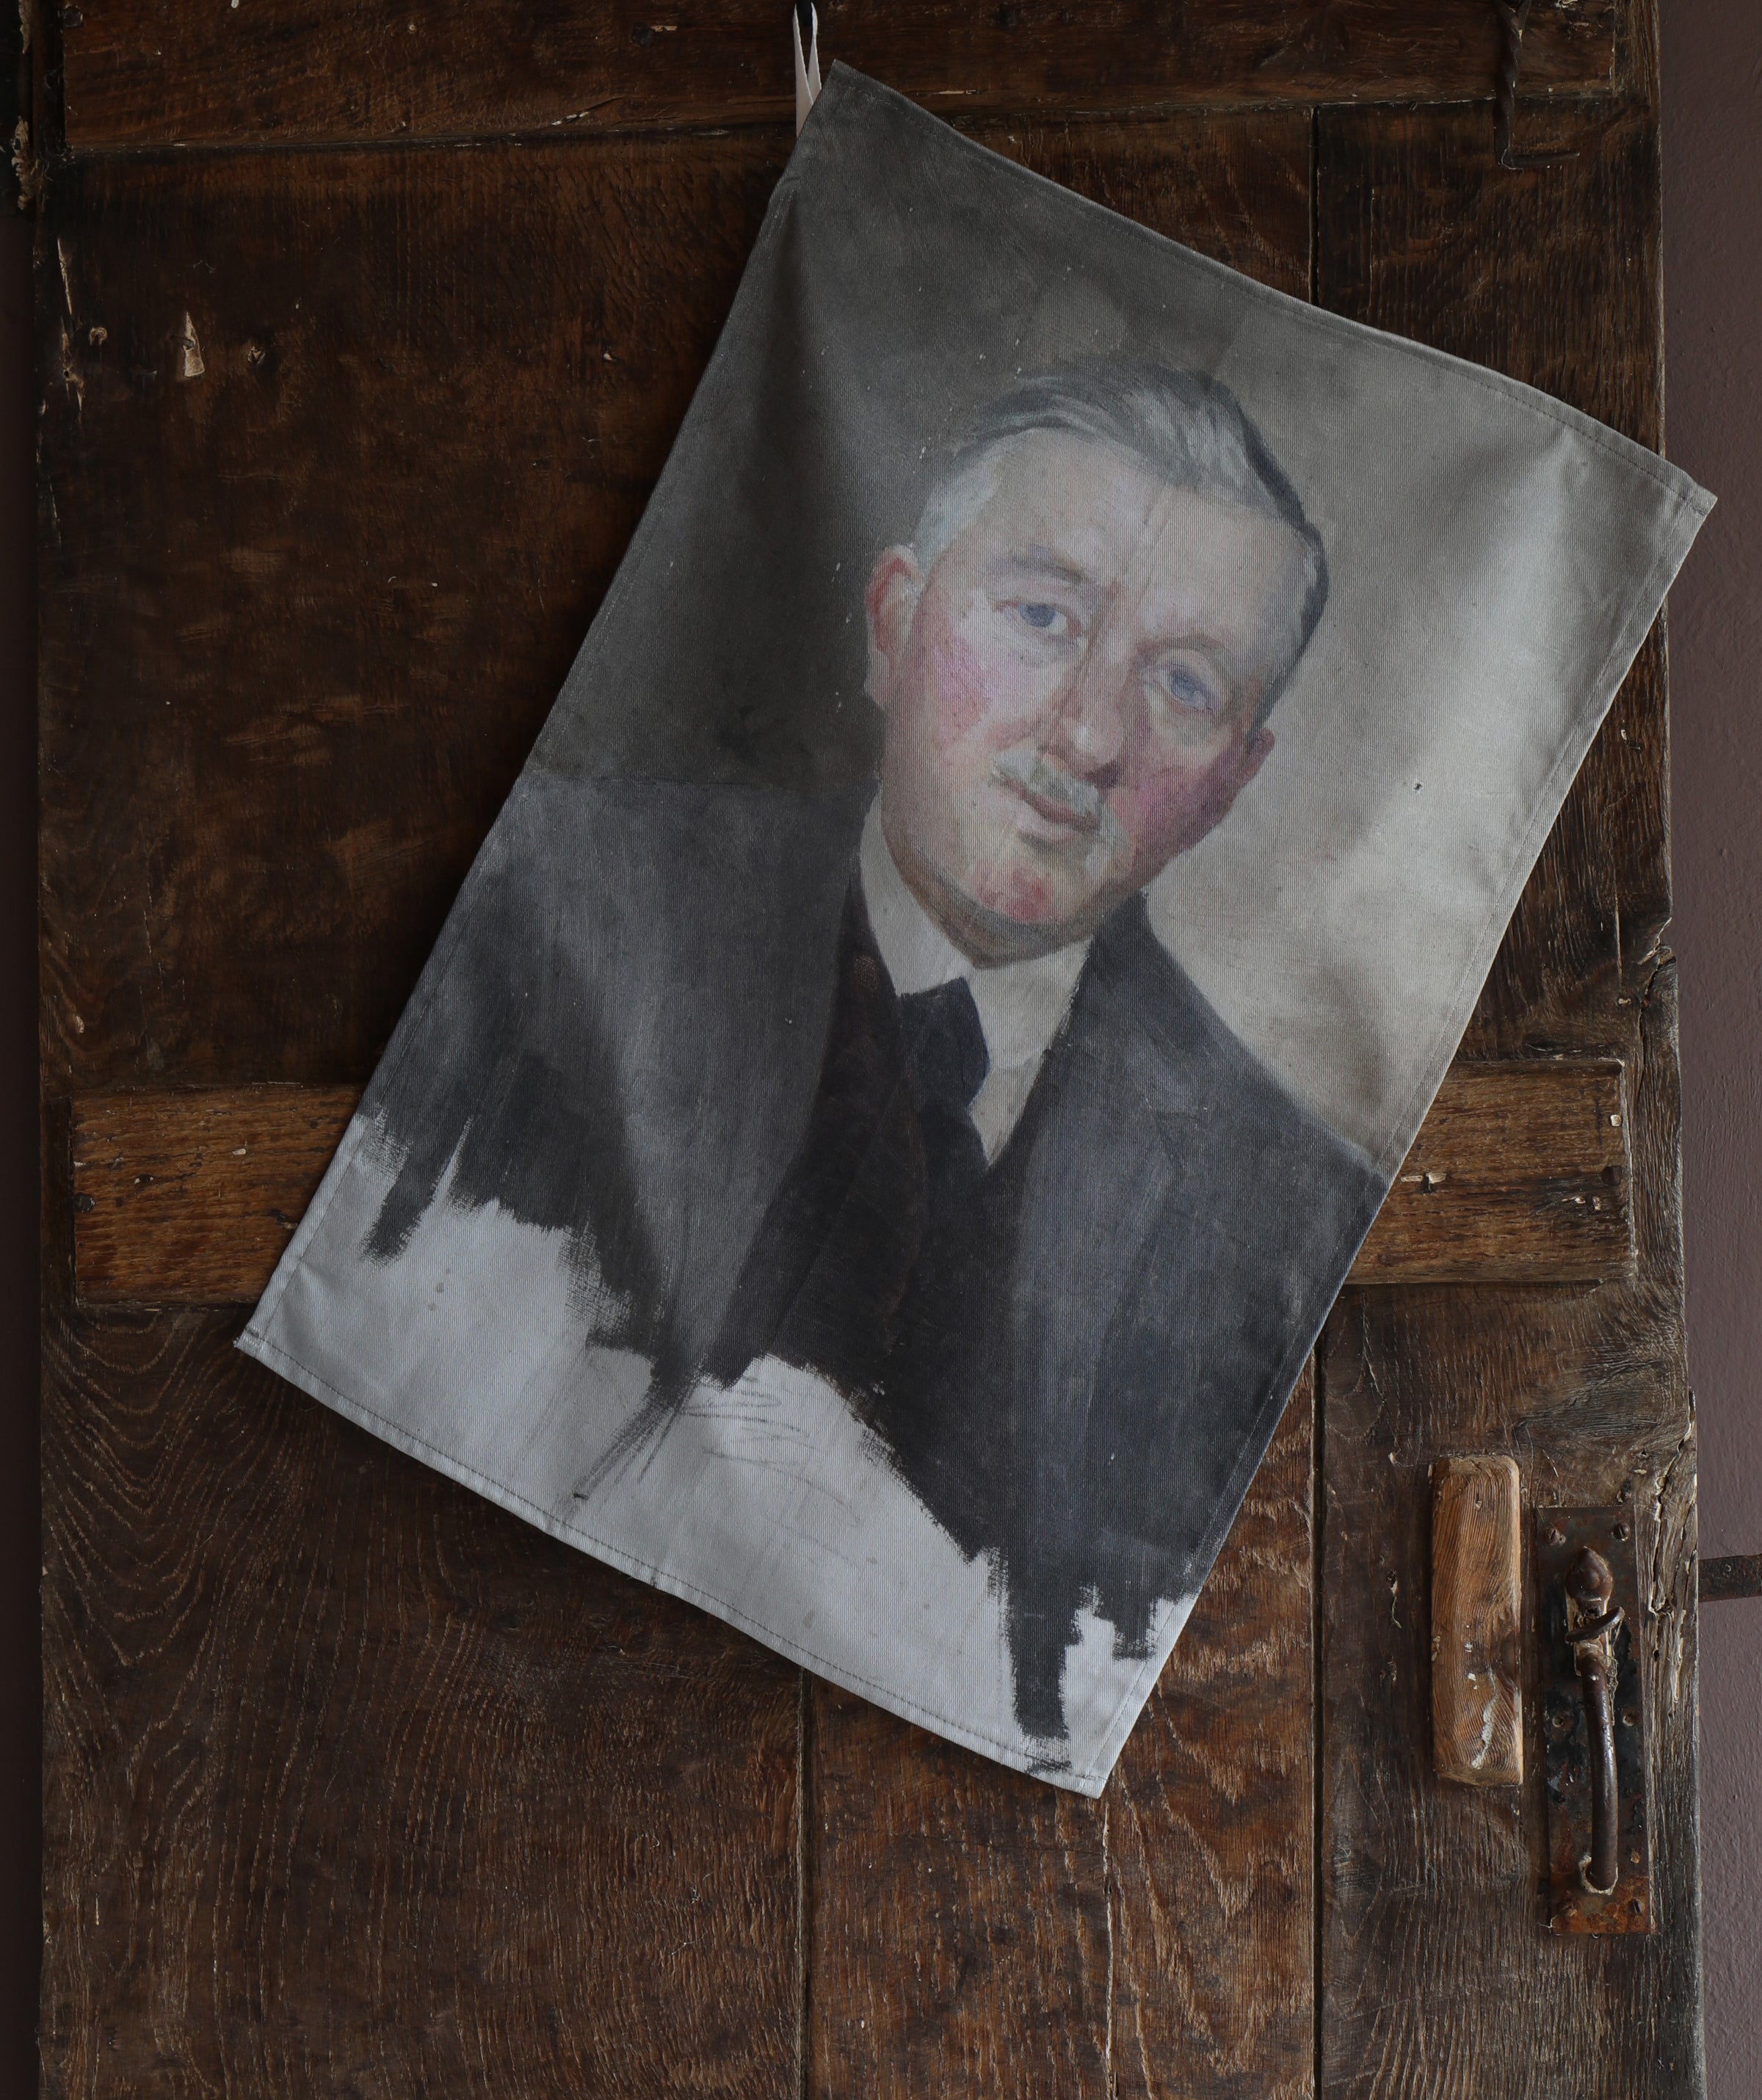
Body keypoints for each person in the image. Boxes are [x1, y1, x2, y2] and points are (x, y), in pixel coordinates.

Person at [361, 363, 1382, 1740]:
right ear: (893, 625)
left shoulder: (1279, 1213)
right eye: (1040, 616)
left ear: (1234, 785)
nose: (1087, 736)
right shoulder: (555, 913)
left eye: (1184, 686)